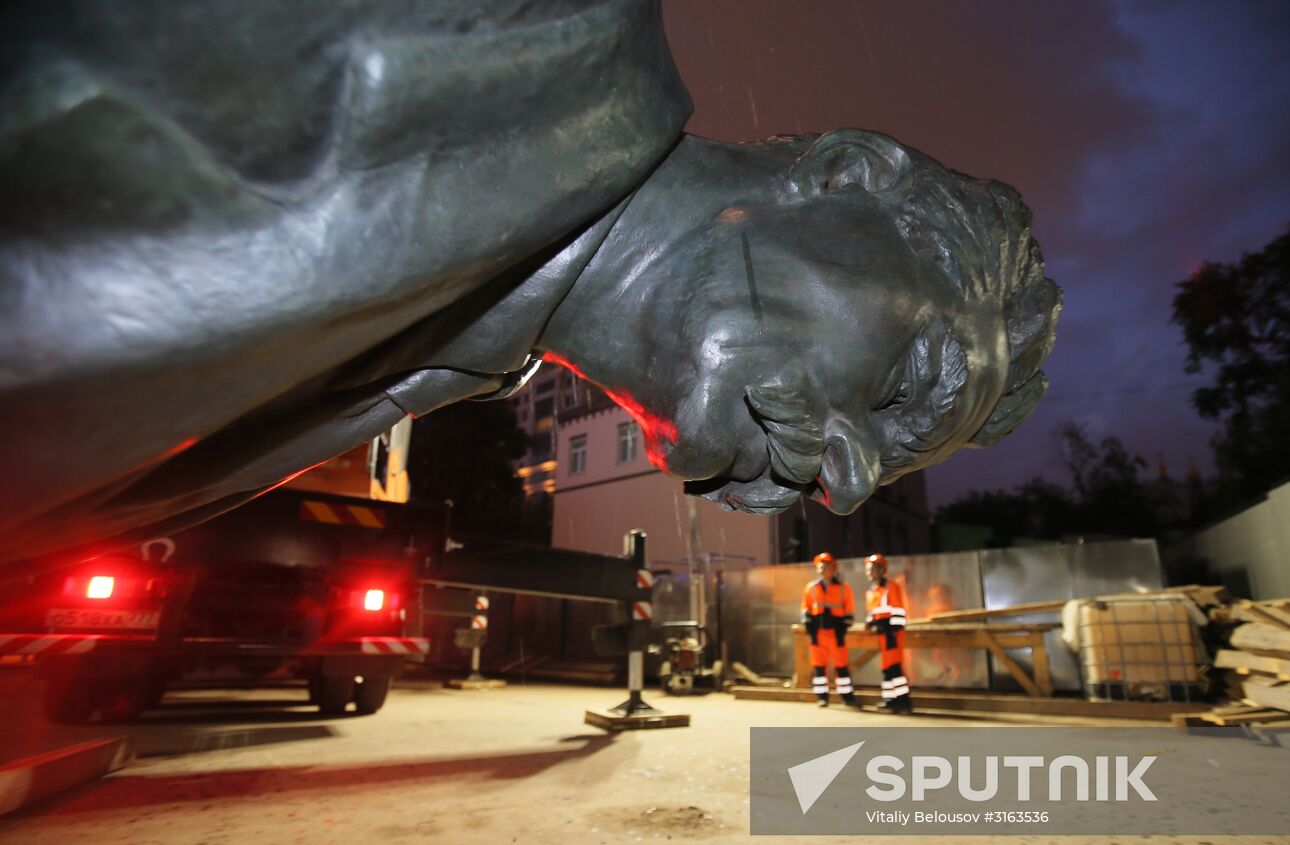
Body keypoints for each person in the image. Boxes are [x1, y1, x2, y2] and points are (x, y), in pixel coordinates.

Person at [1, 0, 1061, 573]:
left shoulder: (427, 375)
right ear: (845, 174)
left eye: (870, 470)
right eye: (904, 382)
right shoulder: (531, 24)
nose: (848, 474)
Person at [802, 553, 859, 708]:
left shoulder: (843, 589)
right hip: (818, 635)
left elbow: (849, 613)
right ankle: (822, 697)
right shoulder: (811, 588)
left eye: (826, 565)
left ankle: (847, 698)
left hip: (836, 635)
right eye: (820, 565)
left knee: (841, 668)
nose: (822, 568)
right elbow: (805, 610)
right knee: (819, 669)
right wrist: (809, 625)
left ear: (833, 568)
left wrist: (842, 628)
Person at [865, 553, 912, 713]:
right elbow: (874, 612)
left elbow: (898, 611)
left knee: (894, 668)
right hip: (883, 634)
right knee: (887, 668)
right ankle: (890, 700)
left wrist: (893, 633)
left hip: (892, 634)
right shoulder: (873, 591)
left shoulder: (890, 587)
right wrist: (870, 621)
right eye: (867, 569)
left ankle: (903, 701)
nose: (868, 573)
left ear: (880, 570)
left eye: (871, 569)